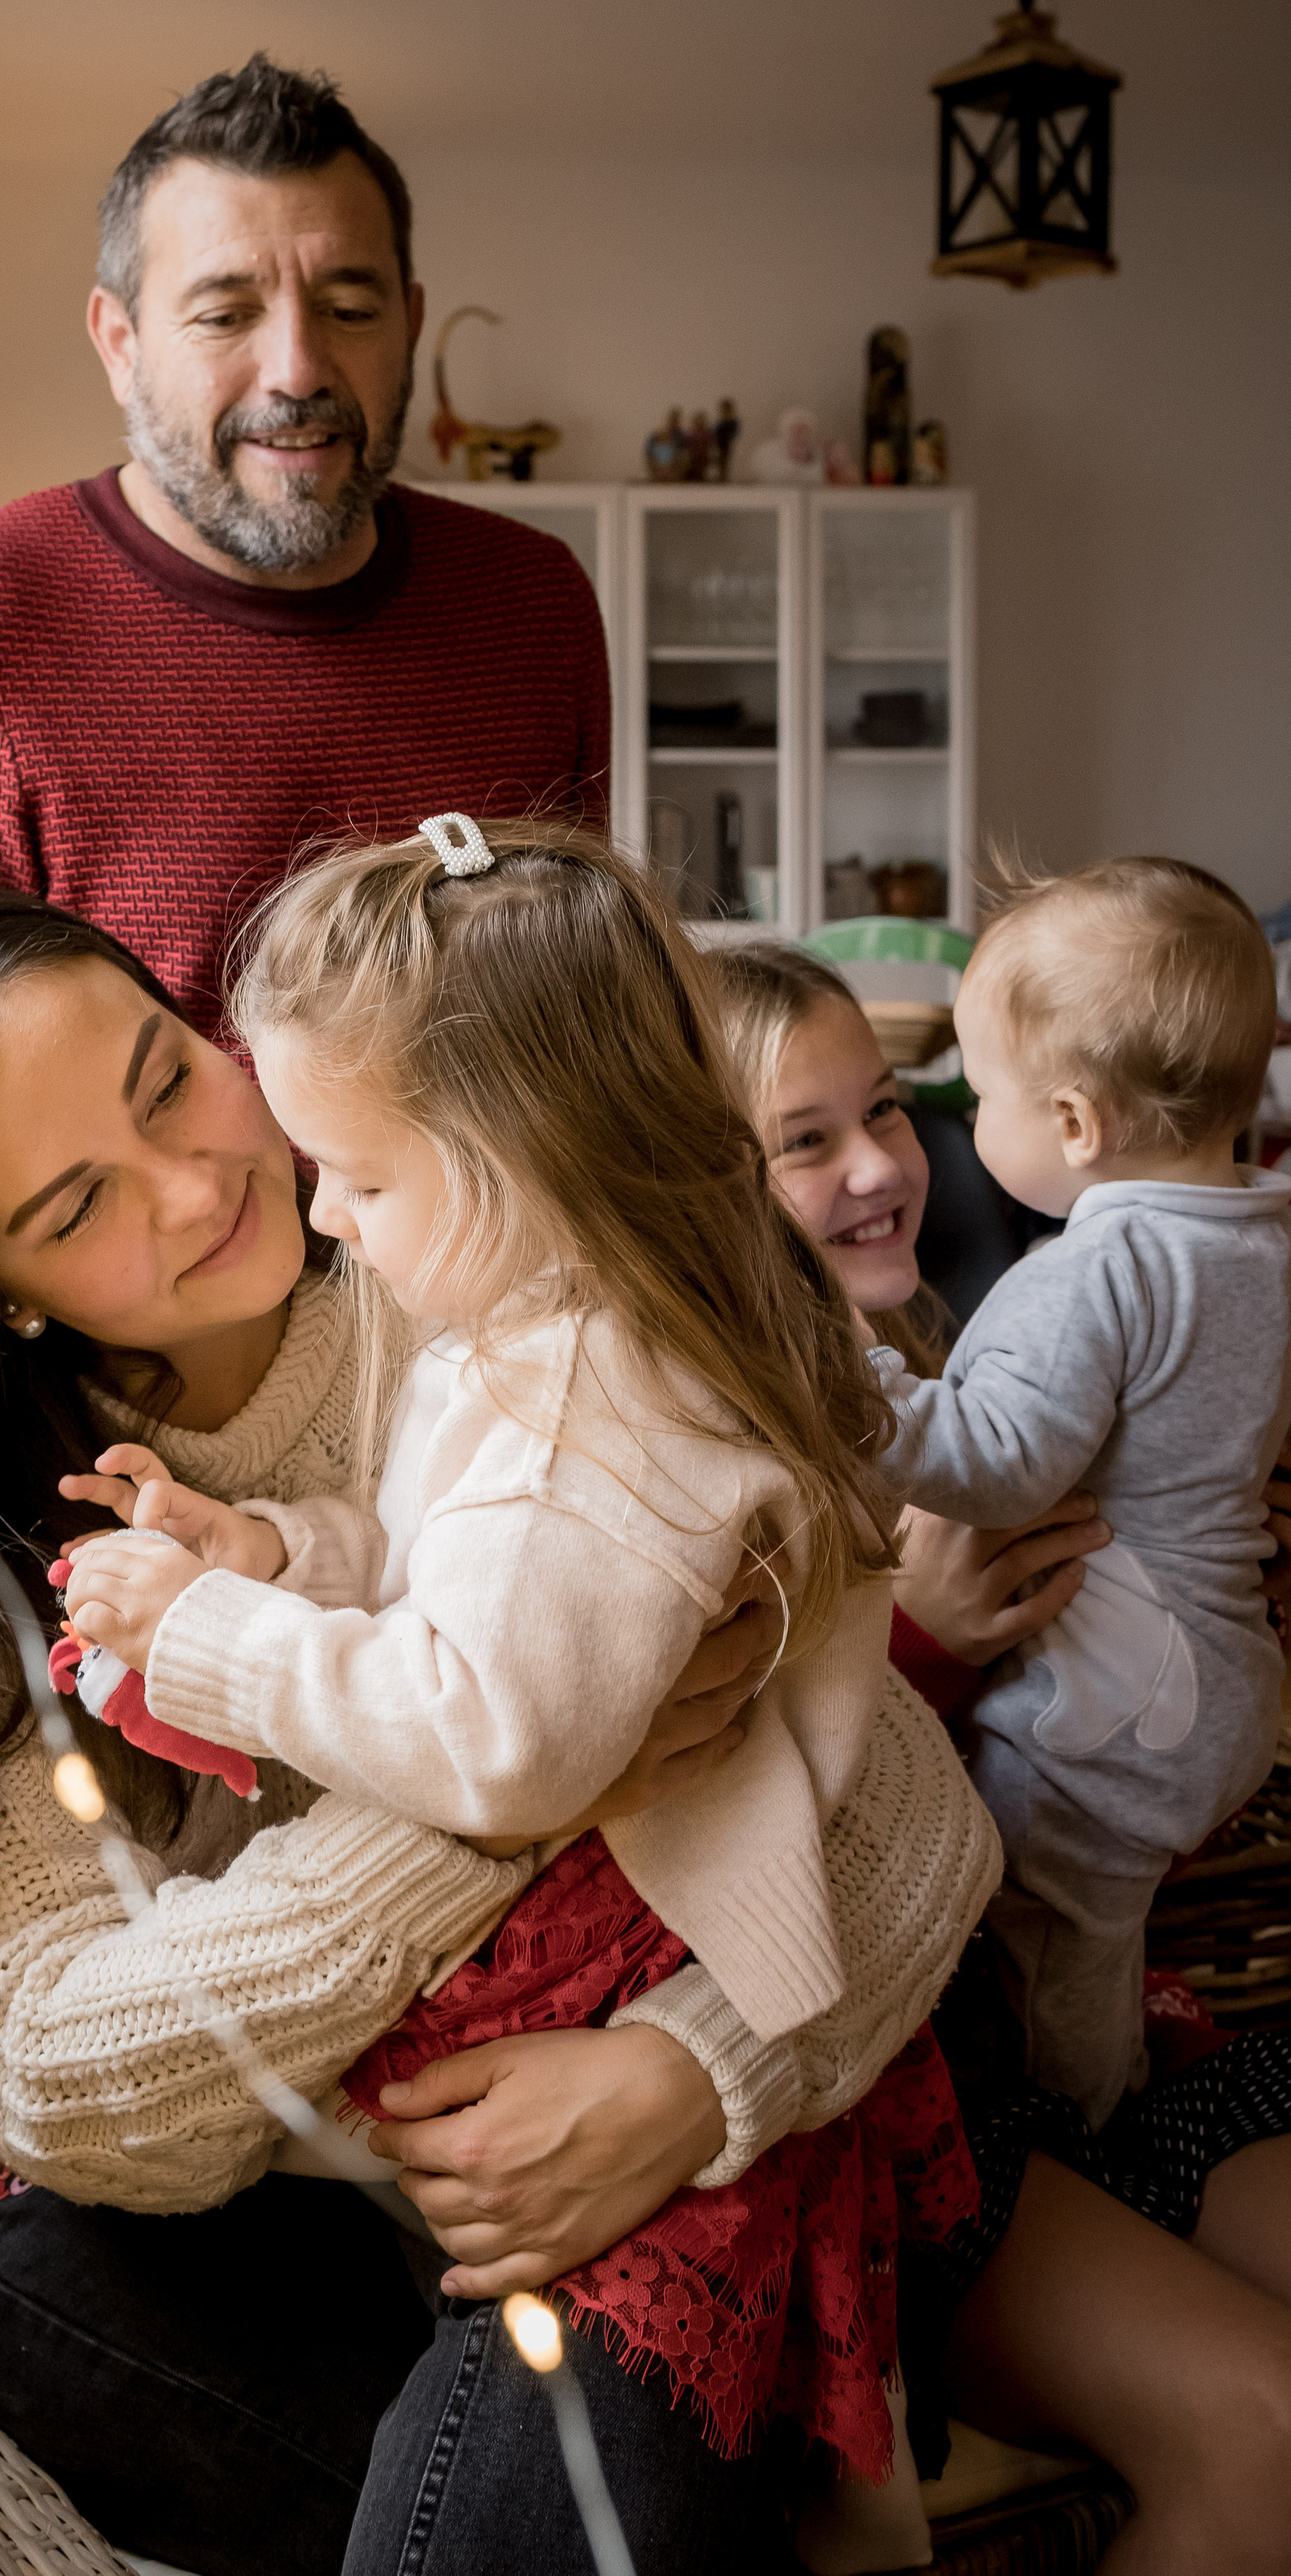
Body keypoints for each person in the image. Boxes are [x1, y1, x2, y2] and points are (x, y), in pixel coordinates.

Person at [0, 886, 994, 2576]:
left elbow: (891, 1800)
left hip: (594, 2079)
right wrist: (505, 1799)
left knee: (609, 2364)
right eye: (78, 1201)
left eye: (168, 1080)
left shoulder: (492, 1276)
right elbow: (44, 2065)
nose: (198, 1186)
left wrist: (702, 2076)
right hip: (244, 2184)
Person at [59, 815, 990, 2484]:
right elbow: (463, 1576)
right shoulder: (557, 1322)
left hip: (636, 1940)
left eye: (362, 1174)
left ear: (525, 1153)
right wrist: (278, 1550)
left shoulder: (583, 1408)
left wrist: (209, 1633)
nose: (327, 1215)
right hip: (655, 1921)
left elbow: (492, 1730)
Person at [717, 935, 1291, 2575]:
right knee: (1256, 2420)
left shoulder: (997, 1354)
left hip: (1120, 2032)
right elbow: (736, 1862)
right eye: (803, 1140)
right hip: (917, 2119)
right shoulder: (722, 1455)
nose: (882, 1167)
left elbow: (1130, 1798)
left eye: (885, 1111)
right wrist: (927, 1650)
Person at [0, 59, 610, 1035]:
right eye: (226, 315)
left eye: (350, 311)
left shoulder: (534, 602)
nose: (296, 369)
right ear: (120, 342)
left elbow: (582, 1022)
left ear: (409, 323)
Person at [868, 859, 1291, 2127]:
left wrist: (857, 1396)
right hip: (1224, 1690)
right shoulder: (1258, 1236)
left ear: (1072, 1124)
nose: (969, 1123)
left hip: (1104, 1720)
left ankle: (1087, 2148)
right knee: (1096, 1939)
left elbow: (1003, 1460)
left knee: (1056, 1956)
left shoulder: (1094, 1266)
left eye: (981, 1095)